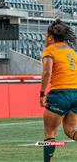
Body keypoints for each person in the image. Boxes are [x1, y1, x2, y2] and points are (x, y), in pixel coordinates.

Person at [39, 20, 77, 162]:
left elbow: (47, 72)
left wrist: (42, 93)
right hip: (76, 92)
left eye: (45, 35)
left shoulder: (49, 50)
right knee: (70, 130)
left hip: (60, 93)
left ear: (50, 37)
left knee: (50, 133)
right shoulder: (71, 51)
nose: (44, 38)